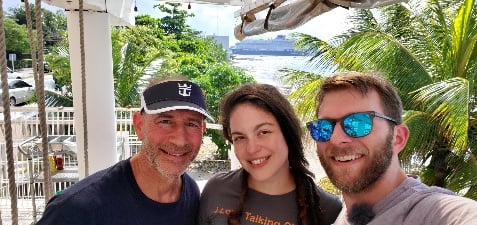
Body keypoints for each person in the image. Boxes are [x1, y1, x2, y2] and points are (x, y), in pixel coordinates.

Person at [37, 77, 214, 225]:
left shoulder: (191, 193)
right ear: (138, 125)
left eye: (191, 124)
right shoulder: (75, 210)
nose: (180, 139)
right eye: (165, 121)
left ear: (203, 129)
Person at [307, 71, 477, 225]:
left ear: (398, 138)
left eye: (358, 123)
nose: (336, 139)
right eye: (323, 127)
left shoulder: (438, 213)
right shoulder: (339, 215)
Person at [199, 83, 342, 225]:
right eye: (240, 137)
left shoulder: (327, 210)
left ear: (287, 133)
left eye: (264, 132)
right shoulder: (216, 190)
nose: (252, 149)